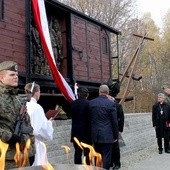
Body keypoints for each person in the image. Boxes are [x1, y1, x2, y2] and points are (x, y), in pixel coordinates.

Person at [0, 61, 35, 169]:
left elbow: (27, 124)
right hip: (7, 158)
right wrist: (9, 136)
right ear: (1, 78)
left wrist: (31, 150)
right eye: (12, 75)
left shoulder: (16, 98)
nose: (16, 77)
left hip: (24, 155)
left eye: (16, 75)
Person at [89, 84, 118, 170]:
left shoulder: (91, 103)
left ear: (99, 92)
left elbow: (89, 119)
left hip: (95, 134)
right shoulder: (111, 104)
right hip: (107, 135)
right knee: (106, 156)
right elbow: (114, 122)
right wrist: (115, 136)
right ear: (108, 93)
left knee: (96, 154)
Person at [24, 82, 54, 165]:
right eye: (39, 91)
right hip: (35, 144)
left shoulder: (24, 104)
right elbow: (41, 129)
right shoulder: (37, 107)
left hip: (24, 143)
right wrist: (49, 123)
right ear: (36, 93)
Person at [70, 87, 92, 165]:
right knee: (87, 153)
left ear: (78, 94)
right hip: (86, 134)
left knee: (77, 153)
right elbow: (90, 120)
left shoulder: (73, 103)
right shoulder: (89, 104)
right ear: (87, 95)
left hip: (75, 133)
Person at [107, 95, 124, 170]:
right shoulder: (106, 105)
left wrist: (120, 130)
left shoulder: (118, 106)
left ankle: (117, 163)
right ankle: (110, 162)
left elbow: (121, 118)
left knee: (115, 147)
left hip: (115, 129)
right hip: (107, 129)